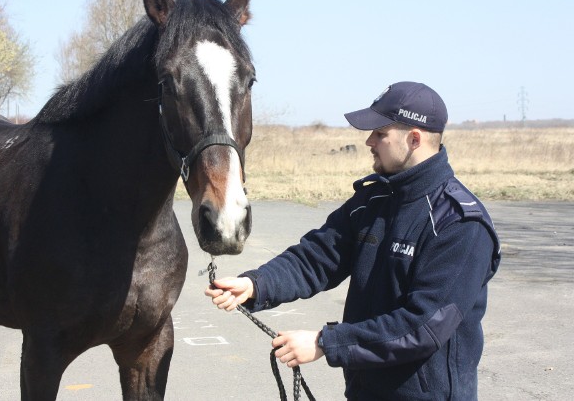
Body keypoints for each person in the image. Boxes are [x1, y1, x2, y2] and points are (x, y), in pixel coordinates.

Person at [205, 81, 501, 401]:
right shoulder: (373, 200)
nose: (368, 141)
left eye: (380, 133)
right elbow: (317, 257)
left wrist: (324, 343)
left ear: (414, 139)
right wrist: (256, 285)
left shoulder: (459, 224)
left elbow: (423, 327)